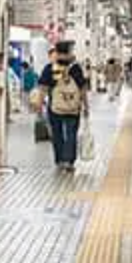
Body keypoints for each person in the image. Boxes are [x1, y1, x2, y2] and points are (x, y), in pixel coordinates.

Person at [35, 41, 89, 171]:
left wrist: (39, 104)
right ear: (69, 52)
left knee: (57, 134)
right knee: (71, 134)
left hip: (55, 107)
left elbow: (43, 88)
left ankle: (59, 160)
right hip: (73, 107)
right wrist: (86, 105)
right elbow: (82, 88)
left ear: (57, 52)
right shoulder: (75, 68)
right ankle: (69, 161)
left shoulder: (51, 68)